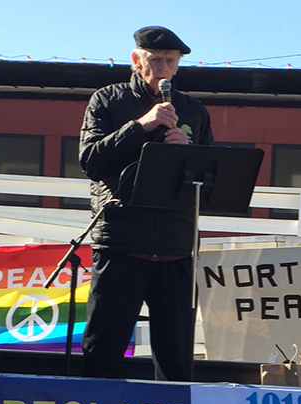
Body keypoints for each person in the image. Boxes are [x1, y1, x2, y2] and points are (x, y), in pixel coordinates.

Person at [79, 26, 213, 381]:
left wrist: (188, 155)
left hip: (176, 245)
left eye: (171, 61)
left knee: (177, 357)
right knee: (103, 348)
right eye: (155, 60)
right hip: (122, 241)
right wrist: (141, 126)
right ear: (137, 61)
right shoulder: (107, 100)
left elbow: (210, 180)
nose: (164, 68)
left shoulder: (193, 111)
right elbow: (90, 160)